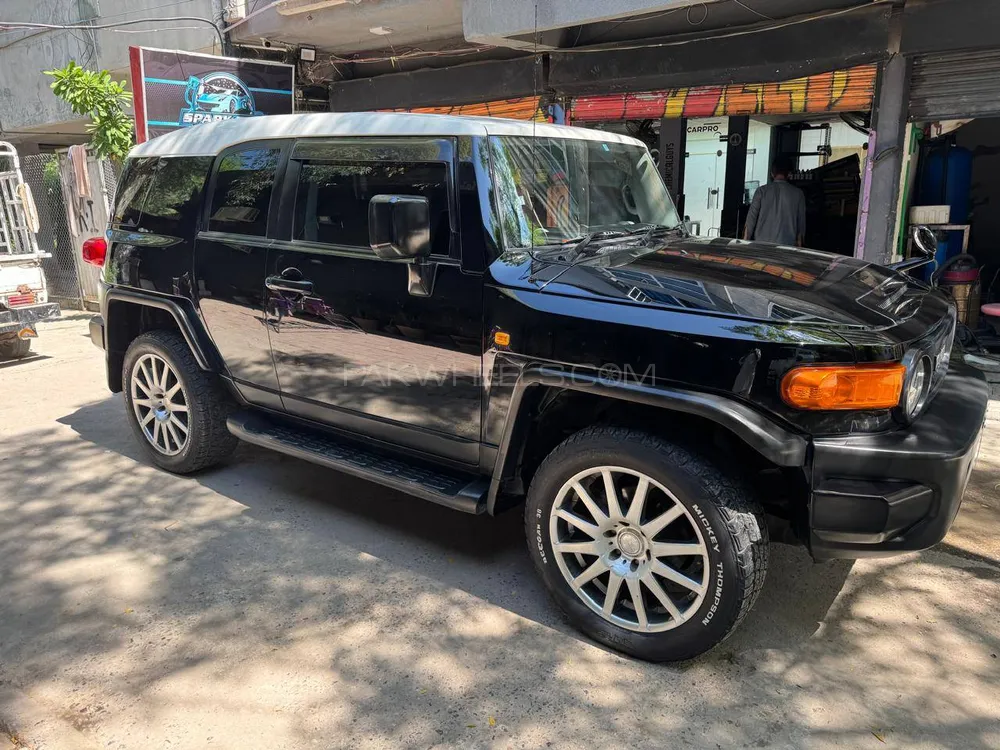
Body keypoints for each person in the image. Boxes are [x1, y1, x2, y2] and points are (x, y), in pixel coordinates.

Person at [743, 156, 806, 246]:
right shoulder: (798, 194)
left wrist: (744, 244)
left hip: (762, 245)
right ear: (789, 174)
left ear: (772, 173)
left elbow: (750, 221)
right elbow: (801, 228)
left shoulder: (761, 191)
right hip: (787, 247)